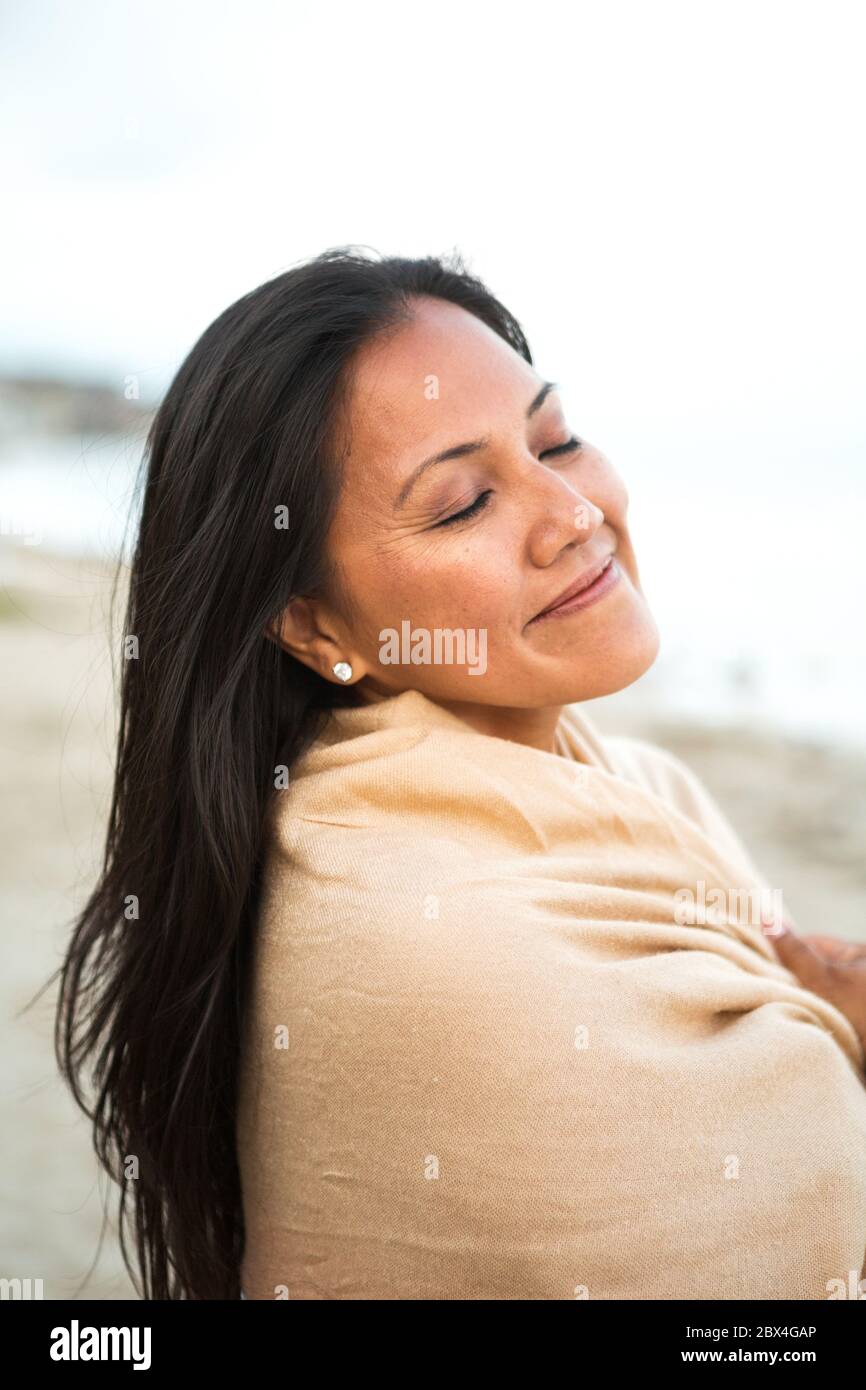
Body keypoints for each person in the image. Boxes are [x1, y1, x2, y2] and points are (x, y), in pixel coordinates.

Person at [51, 247, 866, 1300]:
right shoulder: (438, 940)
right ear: (312, 622)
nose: (574, 514)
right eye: (462, 503)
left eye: (555, 439)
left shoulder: (635, 786)